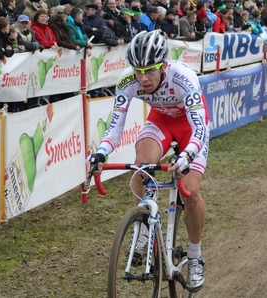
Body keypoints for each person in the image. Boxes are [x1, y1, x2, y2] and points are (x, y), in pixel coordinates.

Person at [87, 29, 209, 293]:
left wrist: (187, 154)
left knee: (191, 192)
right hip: (161, 121)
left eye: (150, 70)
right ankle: (144, 229)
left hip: (191, 127)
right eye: (138, 70)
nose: (143, 77)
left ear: (163, 64)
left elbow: (200, 127)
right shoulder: (127, 81)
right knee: (141, 165)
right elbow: (115, 127)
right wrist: (101, 152)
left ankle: (196, 256)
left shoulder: (183, 77)